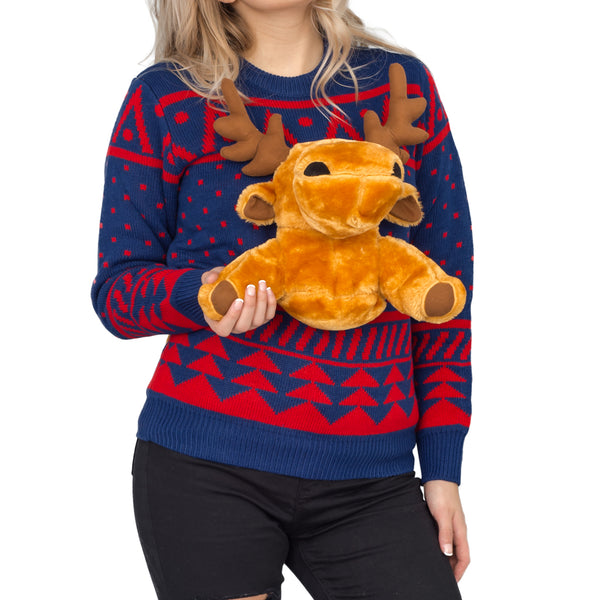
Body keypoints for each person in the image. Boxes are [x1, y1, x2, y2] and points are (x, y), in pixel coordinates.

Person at [91, 1, 474, 599]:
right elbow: (117, 293)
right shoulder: (166, 98)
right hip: (206, 466)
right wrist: (203, 295)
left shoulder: (402, 87)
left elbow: (447, 297)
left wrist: (443, 468)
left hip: (373, 481)